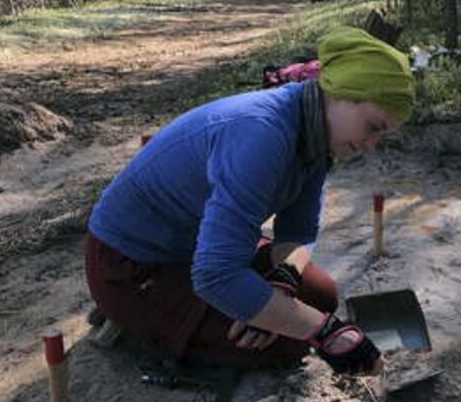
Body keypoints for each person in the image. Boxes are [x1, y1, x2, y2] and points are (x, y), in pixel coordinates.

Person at [84, 26, 414, 376]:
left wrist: (282, 282)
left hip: (195, 246)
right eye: (374, 126)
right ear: (340, 95)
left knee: (322, 296)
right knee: (290, 343)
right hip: (130, 264)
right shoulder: (262, 134)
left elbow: (299, 232)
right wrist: (326, 332)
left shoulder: (314, 134)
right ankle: (133, 319)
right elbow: (215, 277)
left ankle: (178, 317)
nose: (372, 144)